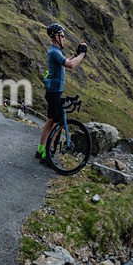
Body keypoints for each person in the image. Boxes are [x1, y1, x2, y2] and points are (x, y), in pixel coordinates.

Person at [37, 23, 87, 163]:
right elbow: (71, 65)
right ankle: (47, 155)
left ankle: (41, 150)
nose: (64, 38)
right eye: (63, 36)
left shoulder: (55, 51)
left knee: (49, 121)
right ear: (56, 36)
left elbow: (67, 61)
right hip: (55, 92)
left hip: (52, 91)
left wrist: (76, 54)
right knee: (57, 124)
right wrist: (83, 54)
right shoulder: (54, 51)